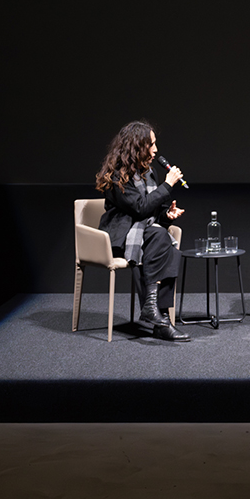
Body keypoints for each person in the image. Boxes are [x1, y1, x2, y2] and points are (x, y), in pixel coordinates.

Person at [95, 120, 190, 342]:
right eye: (151, 144)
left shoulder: (148, 173)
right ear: (136, 146)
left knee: (165, 244)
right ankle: (158, 317)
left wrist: (166, 215)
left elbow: (152, 213)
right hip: (122, 237)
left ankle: (158, 318)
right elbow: (139, 208)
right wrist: (167, 185)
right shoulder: (117, 176)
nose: (155, 150)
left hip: (144, 235)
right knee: (161, 238)